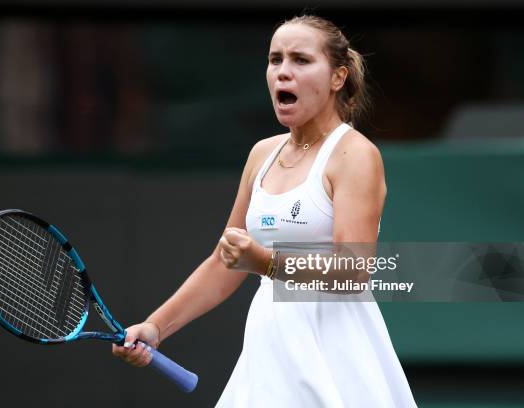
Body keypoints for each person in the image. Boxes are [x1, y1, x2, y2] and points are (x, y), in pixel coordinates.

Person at [112, 15, 417, 407]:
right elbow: (225, 262)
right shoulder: (262, 154)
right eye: (276, 60)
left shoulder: (354, 154)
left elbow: (354, 269)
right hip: (268, 354)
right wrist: (156, 327)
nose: (283, 73)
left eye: (301, 60)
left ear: (338, 77)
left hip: (337, 356)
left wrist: (268, 262)